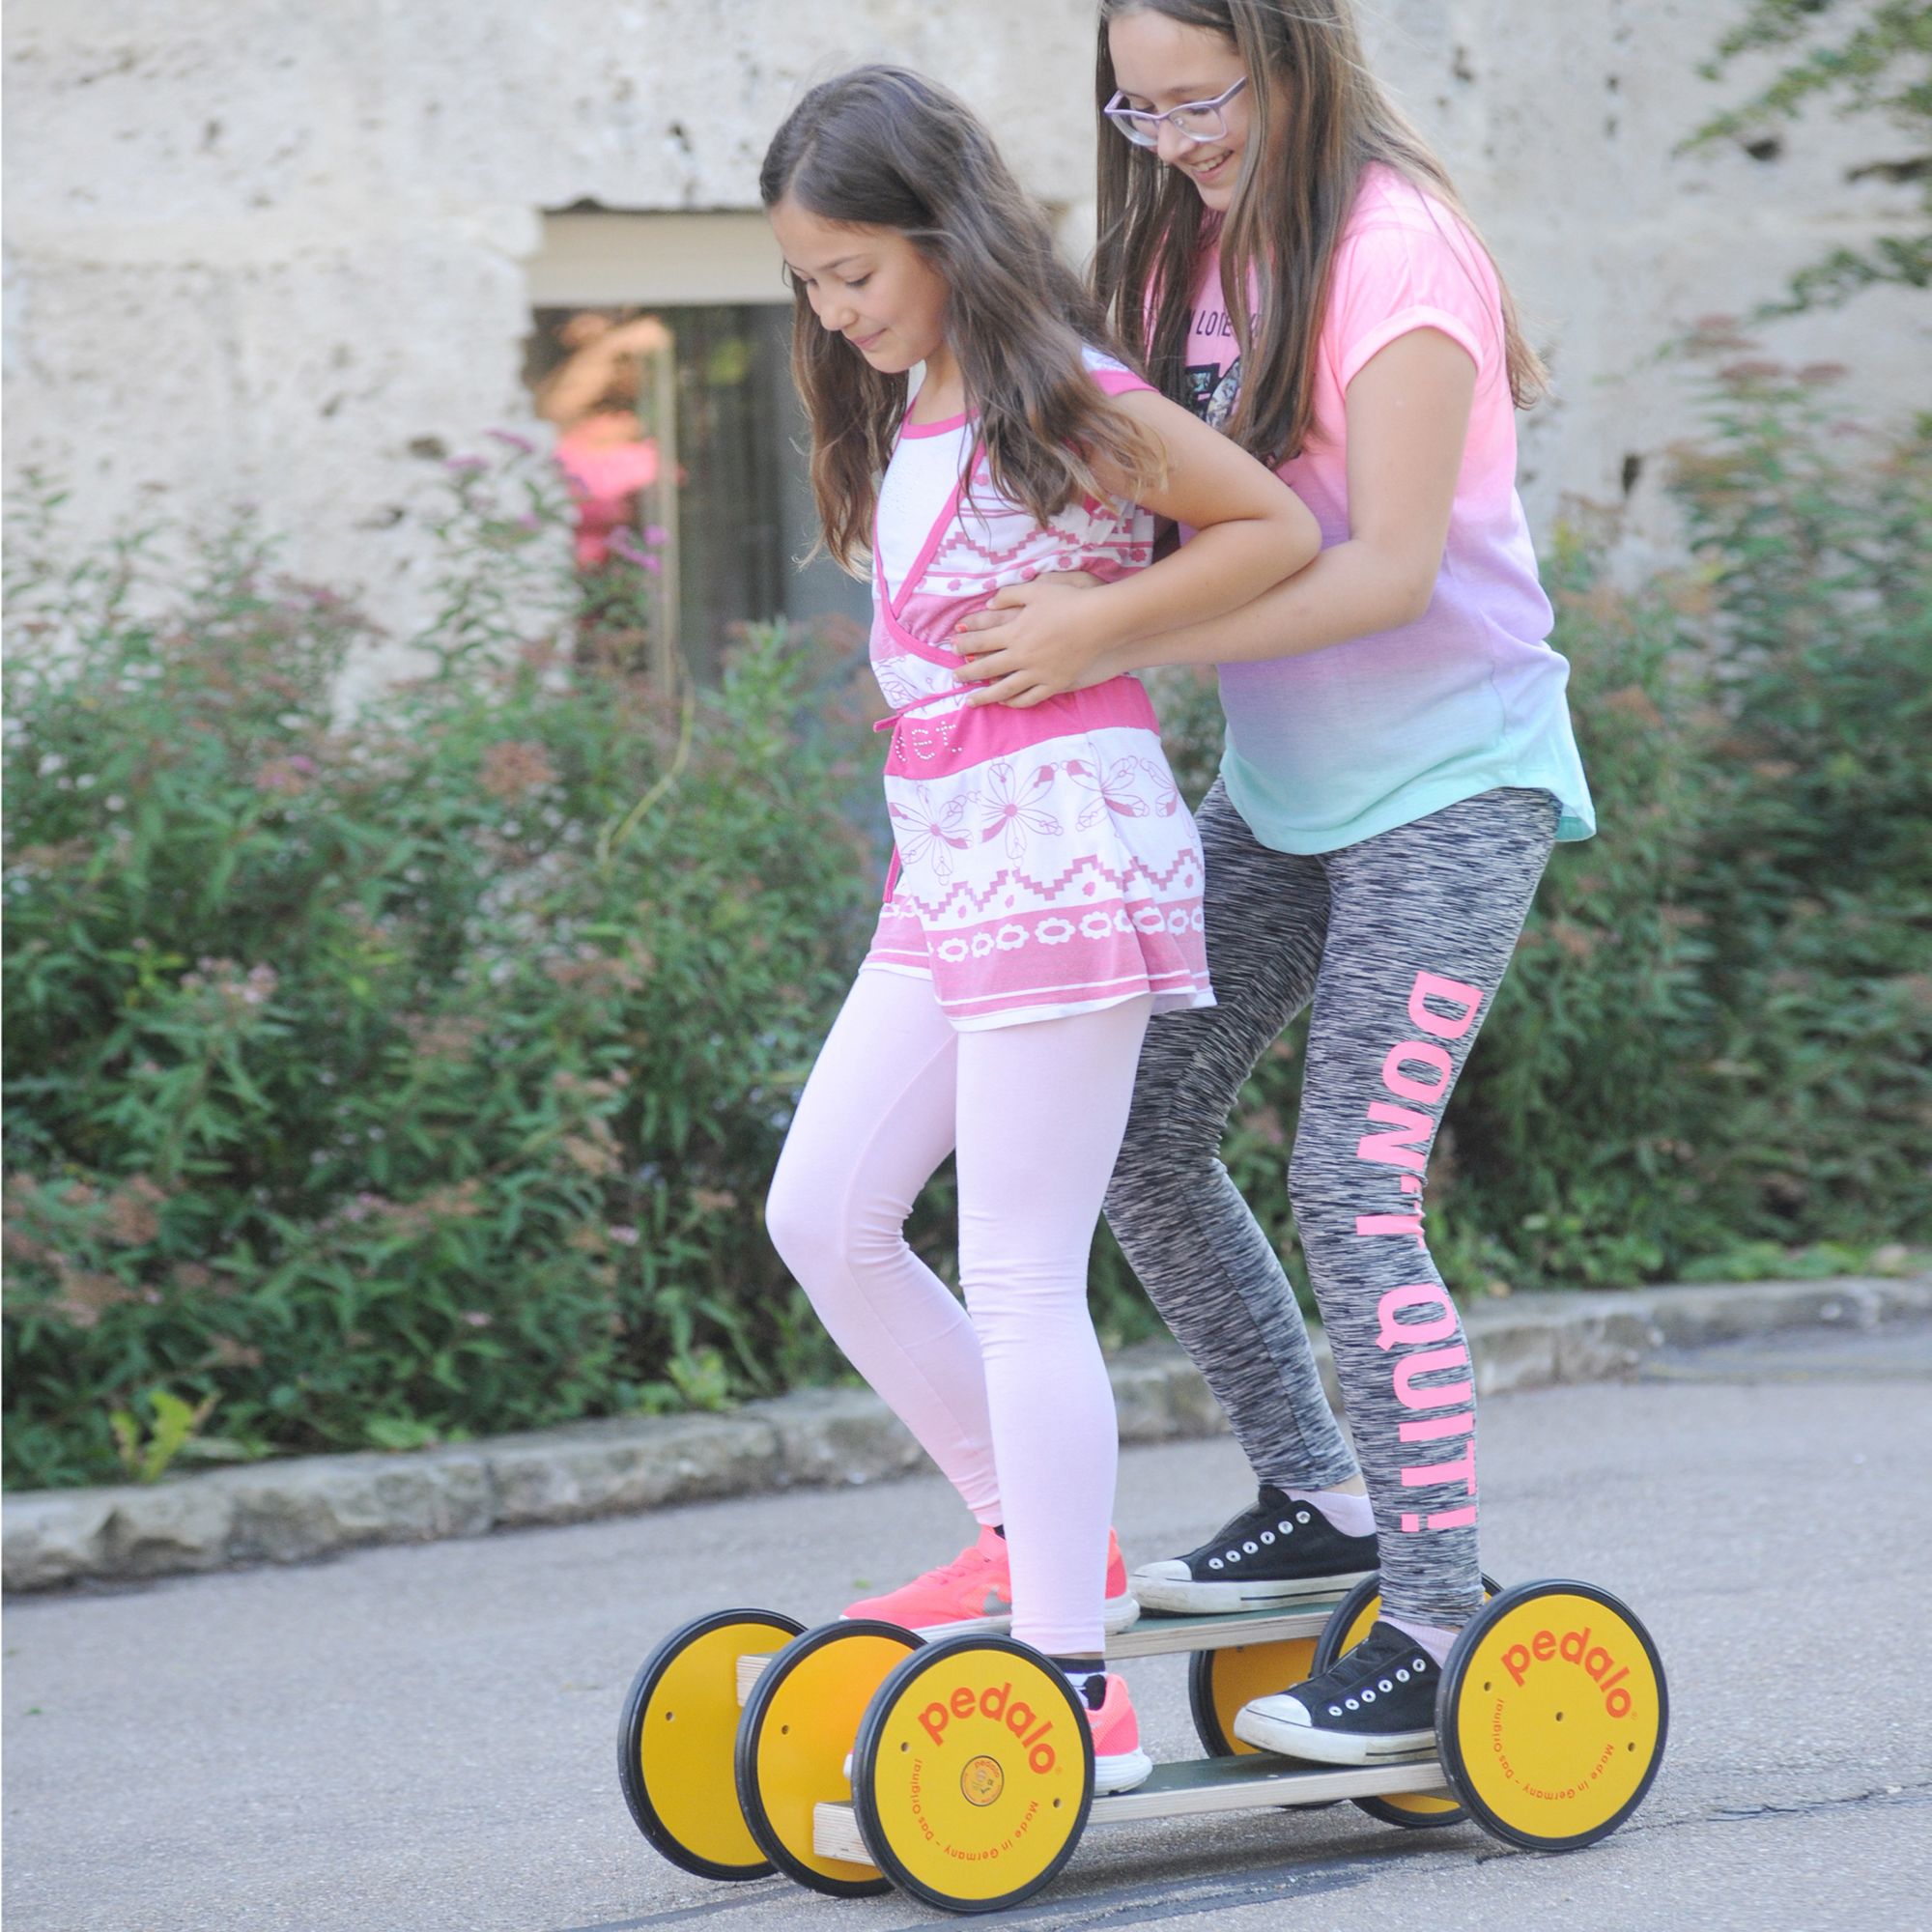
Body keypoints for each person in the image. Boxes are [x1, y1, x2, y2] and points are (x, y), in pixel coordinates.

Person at [952, 0, 1596, 1769]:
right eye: (1137, 110)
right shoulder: (1184, 253)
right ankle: (1321, 1495)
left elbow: (1385, 569)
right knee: (1138, 1133)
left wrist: (1118, 647)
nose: (1172, 139)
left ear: (1293, 54)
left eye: (1202, 99)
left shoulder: (1399, 254)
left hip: (1454, 787)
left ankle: (1442, 1612)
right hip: (1287, 792)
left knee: (1352, 1189)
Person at [758, 63, 1321, 1794]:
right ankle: (1027, 1546)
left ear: (941, 230)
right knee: (825, 1212)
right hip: (954, 859)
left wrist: (1106, 626)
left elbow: (1273, 524)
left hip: (1066, 844)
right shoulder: (917, 397)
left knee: (1014, 1265)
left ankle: (1075, 1681)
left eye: (855, 268)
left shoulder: (1052, 384)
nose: (833, 308)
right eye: (810, 282)